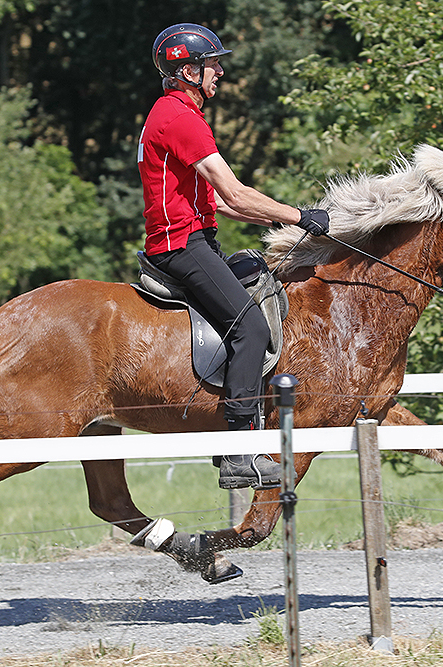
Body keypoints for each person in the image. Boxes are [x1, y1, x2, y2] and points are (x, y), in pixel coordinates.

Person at [139, 23, 330, 490]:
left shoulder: (177, 113)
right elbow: (236, 194)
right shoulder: (180, 119)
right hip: (181, 247)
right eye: (213, 64)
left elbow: (219, 203)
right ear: (188, 70)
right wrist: (299, 215)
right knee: (251, 326)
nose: (220, 71)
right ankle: (238, 450)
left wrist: (275, 219)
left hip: (198, 238)